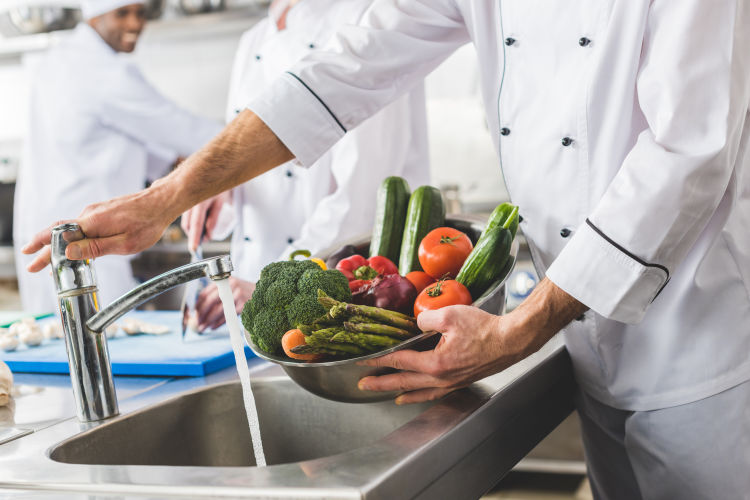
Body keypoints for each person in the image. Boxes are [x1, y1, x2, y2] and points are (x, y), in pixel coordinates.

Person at [23, 2, 750, 498]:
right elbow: (341, 72)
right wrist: (167, 198)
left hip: (701, 348)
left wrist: (526, 324)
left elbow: (689, 152)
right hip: (594, 340)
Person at [181, 0, 430, 331]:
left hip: (342, 301)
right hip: (251, 299)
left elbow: (363, 199)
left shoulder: (366, 18)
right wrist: (223, 190)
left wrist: (270, 287)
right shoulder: (254, 39)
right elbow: (254, 158)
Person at [13, 0, 221, 313]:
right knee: (105, 337)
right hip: (85, 230)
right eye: (122, 13)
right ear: (95, 16)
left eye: (141, 13)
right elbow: (186, 131)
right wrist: (261, 132)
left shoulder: (61, 58)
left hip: (52, 223)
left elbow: (118, 138)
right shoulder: (102, 70)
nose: (135, 24)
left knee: (64, 342)